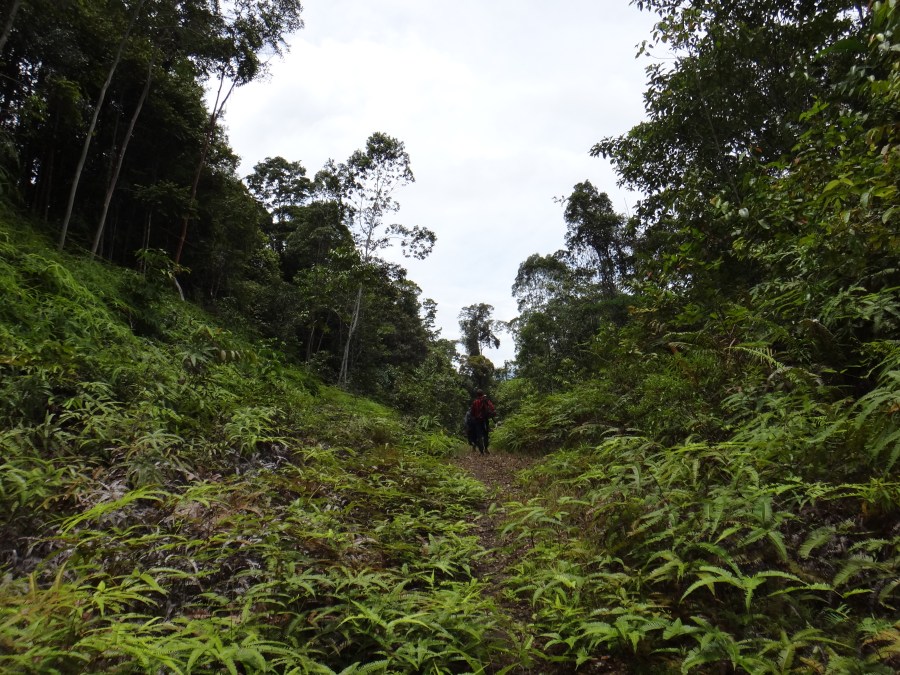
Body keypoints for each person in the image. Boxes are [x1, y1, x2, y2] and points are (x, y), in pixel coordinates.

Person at [469, 388, 496, 453]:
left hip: (477, 420)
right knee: (486, 434)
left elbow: (472, 412)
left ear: (477, 395)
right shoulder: (486, 400)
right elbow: (492, 408)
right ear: (482, 394)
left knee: (479, 435)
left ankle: (481, 451)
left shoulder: (475, 402)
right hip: (485, 419)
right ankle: (486, 448)